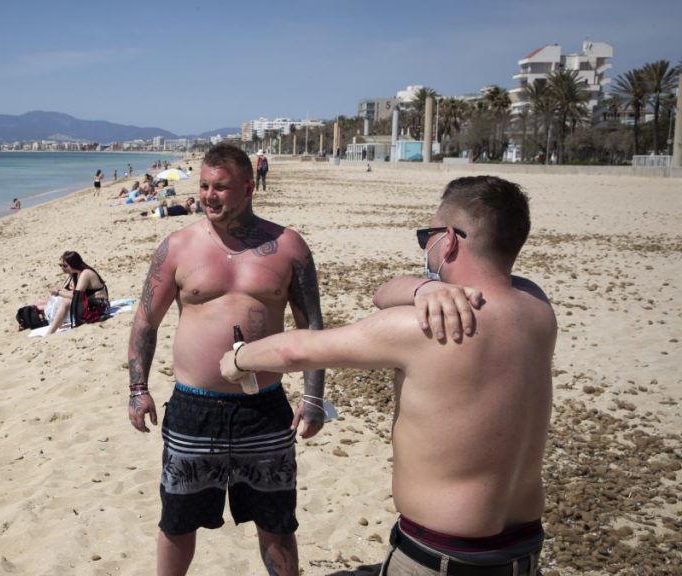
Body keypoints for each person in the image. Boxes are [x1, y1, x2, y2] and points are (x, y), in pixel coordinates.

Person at [219, 176, 555, 576]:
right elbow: (383, 292)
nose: (425, 247)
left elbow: (299, 349)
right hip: (523, 552)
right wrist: (421, 288)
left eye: (426, 236)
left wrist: (239, 358)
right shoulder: (537, 308)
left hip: (439, 556)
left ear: (448, 241)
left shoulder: (423, 329)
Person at [127, 144, 325, 576]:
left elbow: (313, 329)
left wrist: (313, 399)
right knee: (177, 521)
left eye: (221, 187)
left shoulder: (288, 246)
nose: (208, 196)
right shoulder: (177, 247)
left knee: (276, 521)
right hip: (193, 409)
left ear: (249, 188)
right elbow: (145, 322)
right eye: (203, 186)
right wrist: (138, 389)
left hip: (265, 409)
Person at [46, 251, 110, 336]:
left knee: (65, 302)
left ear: (73, 264)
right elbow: (76, 294)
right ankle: (57, 324)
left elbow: (76, 296)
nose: (63, 268)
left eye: (65, 266)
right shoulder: (78, 274)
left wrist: (58, 293)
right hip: (92, 304)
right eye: (61, 265)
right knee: (62, 301)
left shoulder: (85, 273)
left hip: (100, 306)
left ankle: (50, 332)